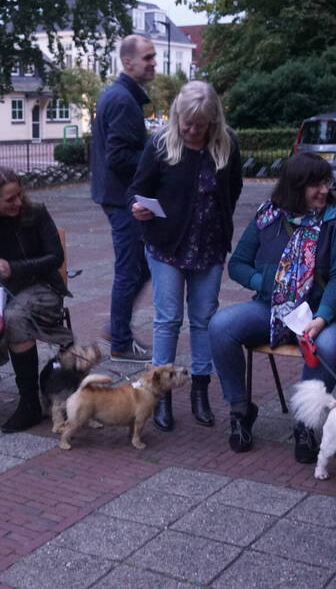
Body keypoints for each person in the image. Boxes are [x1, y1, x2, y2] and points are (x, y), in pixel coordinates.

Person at [208, 153, 336, 462]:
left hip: (322, 313)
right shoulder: (268, 216)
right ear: (294, 186)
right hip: (272, 309)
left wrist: (321, 317)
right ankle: (240, 410)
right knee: (220, 326)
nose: (324, 191)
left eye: (326, 183)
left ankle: (306, 424)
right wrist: (268, 282)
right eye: (314, 185)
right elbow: (237, 265)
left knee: (327, 346)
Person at [128, 81, 243, 432]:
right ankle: (159, 395)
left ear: (213, 121)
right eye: (187, 123)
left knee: (204, 318)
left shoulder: (226, 144)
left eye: (200, 124)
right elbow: (139, 188)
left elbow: (233, 189)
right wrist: (138, 207)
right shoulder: (161, 144)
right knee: (168, 318)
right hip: (165, 244)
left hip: (208, 246)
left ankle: (200, 390)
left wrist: (218, 222)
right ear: (178, 117)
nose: (192, 130)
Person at [0, 167, 73, 433]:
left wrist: (15, 267)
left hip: (41, 286)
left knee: (13, 318)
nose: (18, 203)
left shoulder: (36, 212)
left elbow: (55, 257)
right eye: (10, 199)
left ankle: (29, 404)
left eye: (19, 195)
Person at [90, 34, 157, 362]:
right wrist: (155, 156)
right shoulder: (121, 100)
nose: (153, 63)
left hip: (119, 196)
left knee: (141, 266)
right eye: (147, 57)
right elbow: (118, 157)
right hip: (122, 199)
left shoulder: (122, 97)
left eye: (153, 56)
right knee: (131, 269)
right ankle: (120, 340)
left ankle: (118, 328)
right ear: (128, 62)